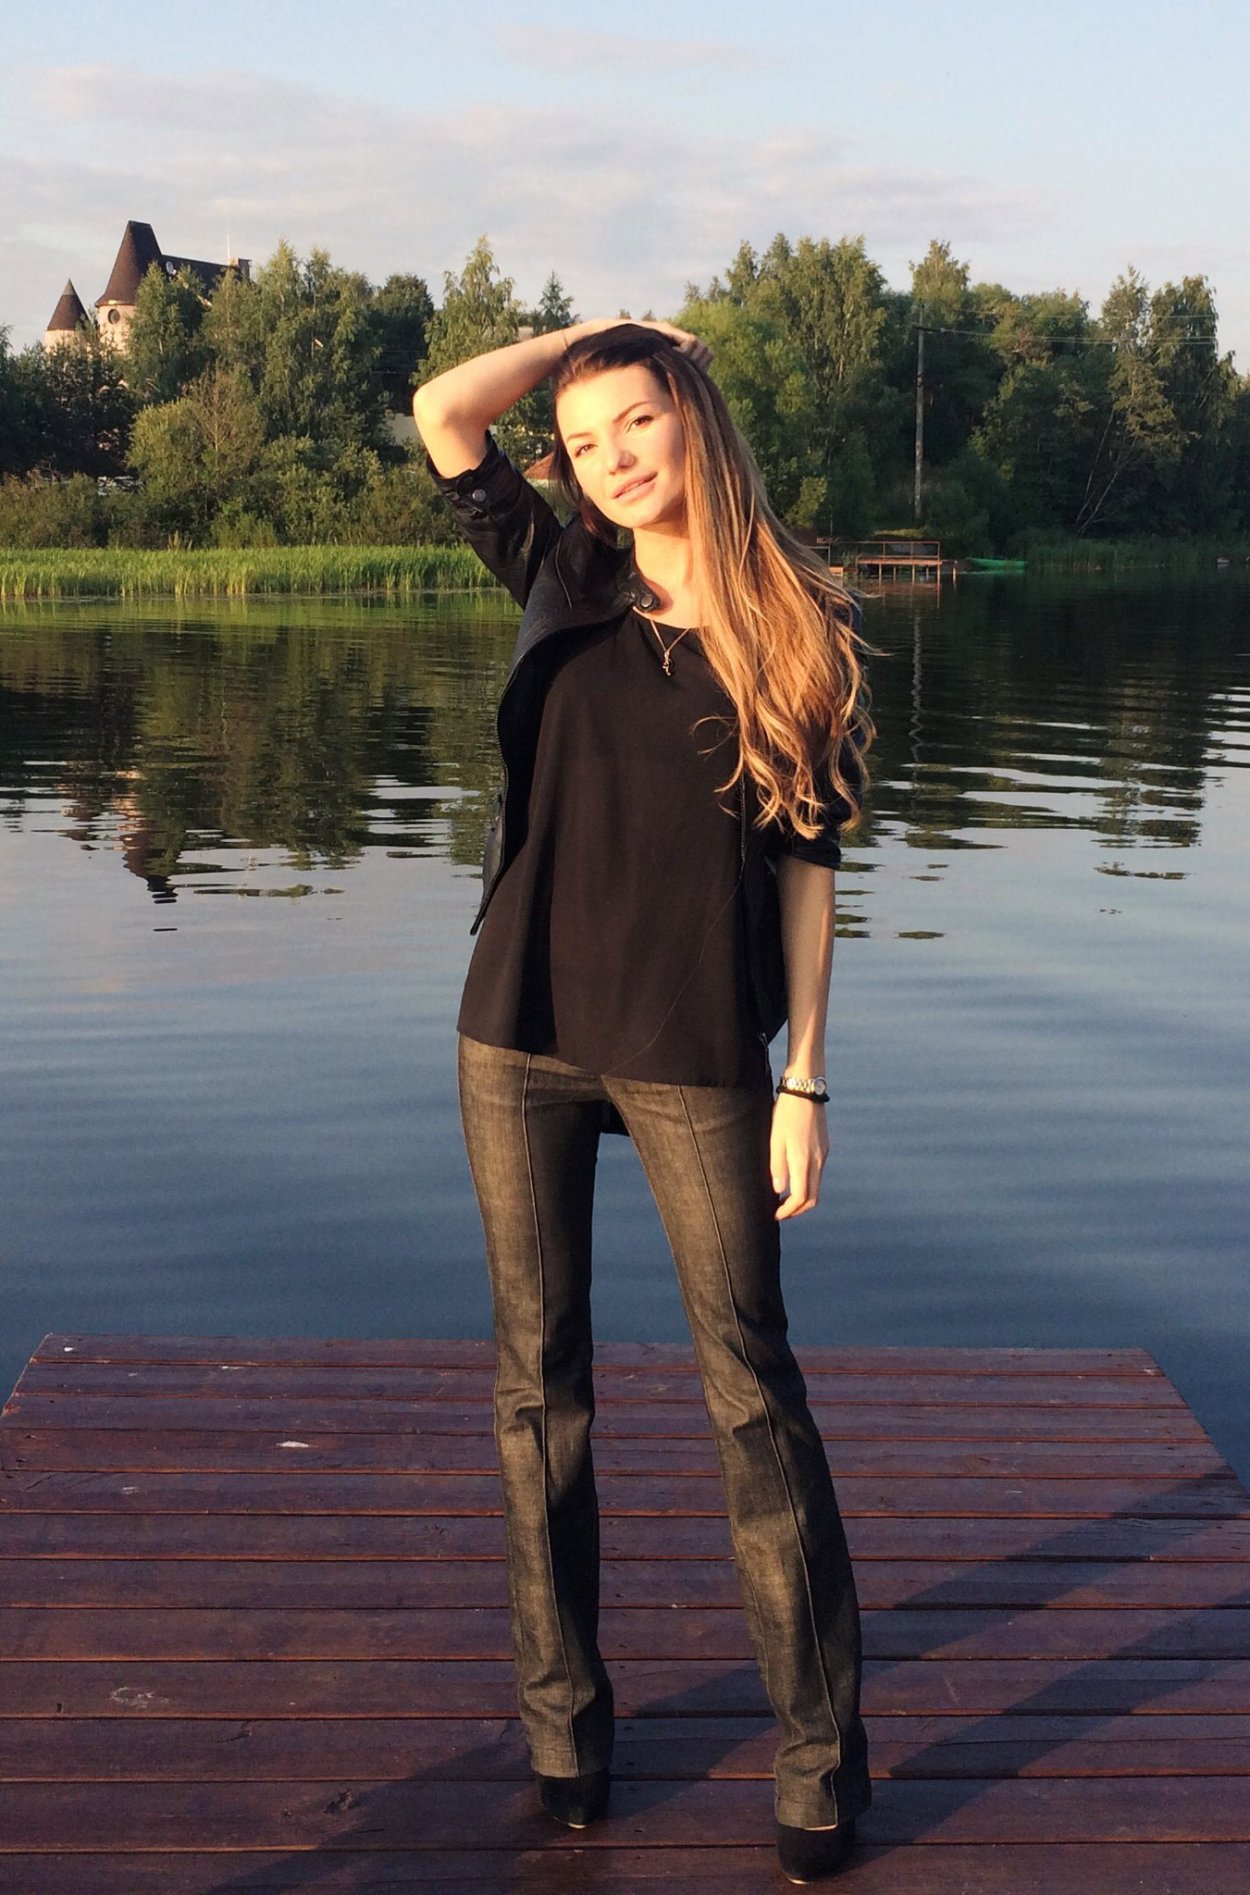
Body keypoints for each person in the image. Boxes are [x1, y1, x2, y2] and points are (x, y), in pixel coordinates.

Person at [414, 315, 874, 1884]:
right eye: (582, 437)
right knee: (535, 1391)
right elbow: (442, 409)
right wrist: (583, 337)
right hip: (518, 1031)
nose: (609, 457)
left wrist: (803, 1076)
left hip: (695, 1043)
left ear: (696, 420)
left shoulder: (796, 620)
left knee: (751, 1391)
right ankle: (566, 1732)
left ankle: (818, 1761)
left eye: (636, 420)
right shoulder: (561, 571)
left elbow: (808, 870)